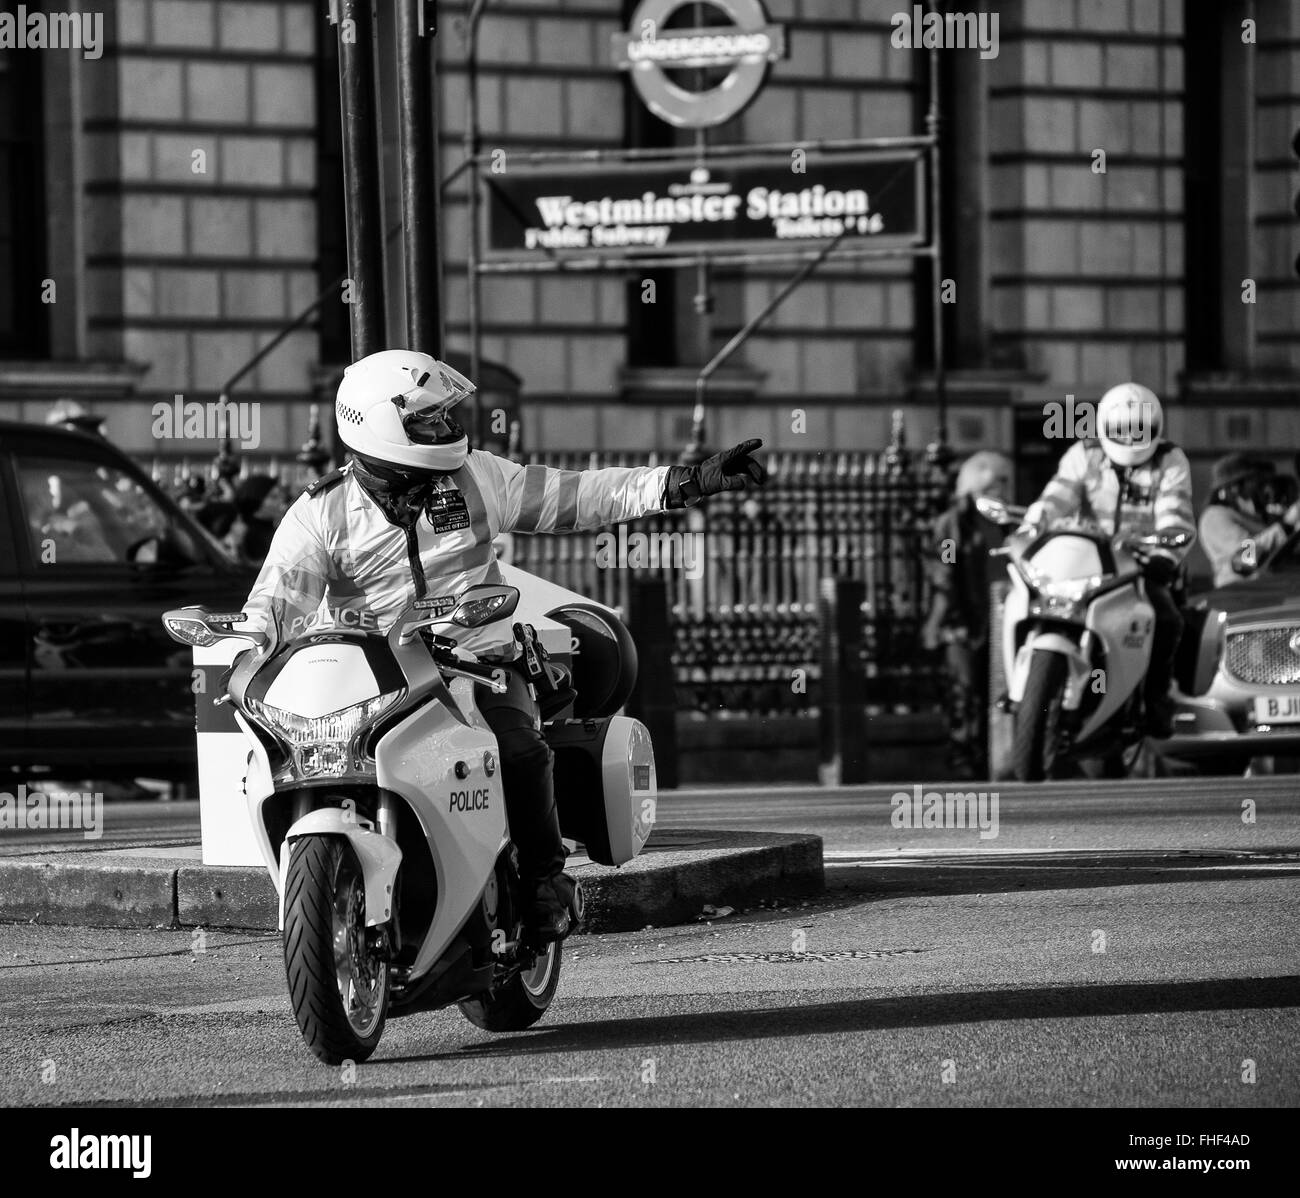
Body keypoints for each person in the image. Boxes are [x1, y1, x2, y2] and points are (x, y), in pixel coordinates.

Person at [242, 349, 767, 942]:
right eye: (428, 421)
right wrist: (251, 643)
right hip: (378, 679)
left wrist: (683, 481)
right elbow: (276, 599)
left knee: (520, 749)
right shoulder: (320, 513)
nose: (445, 430)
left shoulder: (478, 478)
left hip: (479, 661)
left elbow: (577, 496)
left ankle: (546, 883)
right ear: (378, 426)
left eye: (443, 417)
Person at [1013, 382, 1195, 739]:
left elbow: (1176, 514)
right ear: (1104, 429)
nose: (1130, 439)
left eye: (1138, 430)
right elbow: (1058, 494)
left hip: (1140, 562)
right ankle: (1020, 691)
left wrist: (1165, 555)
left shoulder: (1170, 460)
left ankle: (1157, 701)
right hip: (1086, 557)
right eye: (1121, 430)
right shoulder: (1085, 453)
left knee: (1167, 619)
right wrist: (1033, 523)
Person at [922, 450, 1014, 778]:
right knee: (964, 691)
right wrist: (941, 620)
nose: (1003, 490)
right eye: (996, 483)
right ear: (975, 485)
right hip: (963, 621)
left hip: (1001, 619)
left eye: (1005, 482)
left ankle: (994, 758)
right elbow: (943, 574)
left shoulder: (1006, 523)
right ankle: (965, 760)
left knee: (997, 691)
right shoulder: (953, 522)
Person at [1199, 454, 1300, 587]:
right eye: (1255, 481)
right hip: (1239, 593)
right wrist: (1286, 524)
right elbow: (1247, 554)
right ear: (1235, 487)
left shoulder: (1247, 514)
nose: (1261, 488)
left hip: (1268, 587)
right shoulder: (1214, 517)